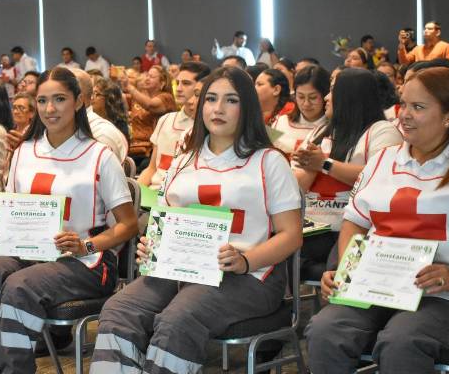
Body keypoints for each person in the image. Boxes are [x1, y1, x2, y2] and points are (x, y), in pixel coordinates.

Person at [89, 66, 302, 373]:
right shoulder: (182, 161)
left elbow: (291, 234)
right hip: (180, 270)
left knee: (178, 318)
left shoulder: (269, 161)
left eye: (231, 100)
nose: (218, 108)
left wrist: (244, 260)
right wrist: (152, 246)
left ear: (247, 108)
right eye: (211, 99)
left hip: (249, 277)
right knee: (120, 309)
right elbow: (164, 221)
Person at [0, 67, 138, 374]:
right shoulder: (23, 152)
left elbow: (128, 225)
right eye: (42, 100)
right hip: (31, 257)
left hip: (87, 262)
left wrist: (85, 244)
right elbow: (9, 210)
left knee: (19, 286)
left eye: (59, 99)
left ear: (78, 102)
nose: (50, 109)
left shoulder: (100, 155)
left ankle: (16, 369)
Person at [306, 67, 449, 373]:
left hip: (448, 295)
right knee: (325, 330)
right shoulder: (382, 160)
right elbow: (355, 221)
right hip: (376, 285)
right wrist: (347, 270)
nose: (404, 116)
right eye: (403, 105)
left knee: (401, 341)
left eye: (418, 107)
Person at [292, 69, 402, 269]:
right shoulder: (320, 132)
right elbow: (295, 186)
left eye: (332, 91)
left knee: (298, 258)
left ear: (350, 96)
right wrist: (310, 166)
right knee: (278, 243)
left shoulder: (382, 131)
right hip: (314, 226)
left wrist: (324, 164)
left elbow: (377, 178)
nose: (326, 97)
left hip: (356, 226)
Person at [138, 61, 211, 190]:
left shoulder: (210, 127)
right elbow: (152, 168)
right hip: (153, 194)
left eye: (186, 83)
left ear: (201, 88)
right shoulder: (166, 120)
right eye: (177, 83)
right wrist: (134, 195)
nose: (178, 89)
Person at [272, 65, 329, 155]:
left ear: (326, 96)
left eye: (313, 97)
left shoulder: (332, 129)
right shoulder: (280, 121)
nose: (306, 103)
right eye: (301, 97)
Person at [126, 65, 176, 162]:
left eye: (152, 77)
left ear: (162, 83)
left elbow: (149, 105)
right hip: (135, 149)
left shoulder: (166, 98)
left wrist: (129, 87)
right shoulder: (140, 97)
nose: (147, 79)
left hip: (154, 151)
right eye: (147, 75)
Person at [91, 77, 131, 142]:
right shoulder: (89, 119)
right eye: (92, 93)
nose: (92, 98)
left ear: (109, 99)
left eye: (97, 94)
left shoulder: (119, 126)